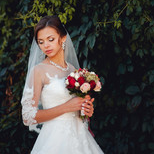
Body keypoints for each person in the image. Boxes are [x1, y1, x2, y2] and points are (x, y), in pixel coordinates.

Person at [21, 15, 104, 154]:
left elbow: (77, 109)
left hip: (81, 137)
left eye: (51, 39)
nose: (46, 45)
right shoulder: (39, 71)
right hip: (55, 140)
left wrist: (85, 110)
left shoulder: (73, 70)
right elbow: (28, 117)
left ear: (63, 38)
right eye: (41, 42)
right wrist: (66, 107)